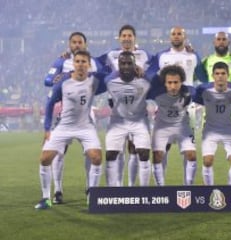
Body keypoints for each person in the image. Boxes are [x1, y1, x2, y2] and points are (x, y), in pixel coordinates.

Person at [35, 50, 105, 209]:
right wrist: (47, 128)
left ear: (89, 64)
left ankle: (92, 197)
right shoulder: (63, 82)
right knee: (45, 159)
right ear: (73, 64)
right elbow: (50, 103)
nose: (80, 65)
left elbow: (113, 76)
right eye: (78, 61)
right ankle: (46, 198)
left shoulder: (95, 81)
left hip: (85, 126)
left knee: (96, 158)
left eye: (84, 62)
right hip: (64, 126)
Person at [145, 26, 207, 183]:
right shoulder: (162, 56)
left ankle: (188, 186)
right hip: (166, 103)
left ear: (185, 37)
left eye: (180, 34)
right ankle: (162, 187)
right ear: (170, 37)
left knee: (189, 151)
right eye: (174, 34)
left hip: (187, 105)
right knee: (162, 150)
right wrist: (160, 83)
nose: (177, 36)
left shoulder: (193, 56)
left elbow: (203, 77)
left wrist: (192, 91)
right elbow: (150, 73)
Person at [97, 24, 152, 187]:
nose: (127, 38)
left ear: (135, 38)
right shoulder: (111, 55)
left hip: (137, 100)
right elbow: (94, 63)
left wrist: (145, 73)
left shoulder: (144, 54)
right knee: (117, 151)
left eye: (130, 35)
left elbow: (157, 65)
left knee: (135, 150)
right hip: (117, 102)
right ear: (119, 38)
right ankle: (117, 186)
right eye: (124, 36)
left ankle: (133, 186)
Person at [193, 62, 231, 185]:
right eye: (217, 73)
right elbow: (195, 98)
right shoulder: (203, 89)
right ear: (213, 75)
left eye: (223, 73)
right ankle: (210, 191)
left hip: (228, 129)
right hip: (210, 130)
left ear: (228, 75)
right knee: (208, 161)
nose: (220, 76)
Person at [147, 65, 197, 186]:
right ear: (164, 83)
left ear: (181, 82)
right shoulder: (156, 93)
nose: (173, 86)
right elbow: (147, 81)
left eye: (176, 82)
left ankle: (189, 186)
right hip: (162, 126)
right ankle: (161, 188)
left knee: (191, 155)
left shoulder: (190, 92)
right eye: (169, 82)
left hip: (182, 126)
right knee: (157, 155)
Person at [202, 31, 231, 135]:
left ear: (229, 42)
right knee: (208, 145)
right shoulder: (207, 61)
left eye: (224, 39)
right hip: (211, 106)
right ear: (214, 42)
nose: (221, 42)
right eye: (219, 39)